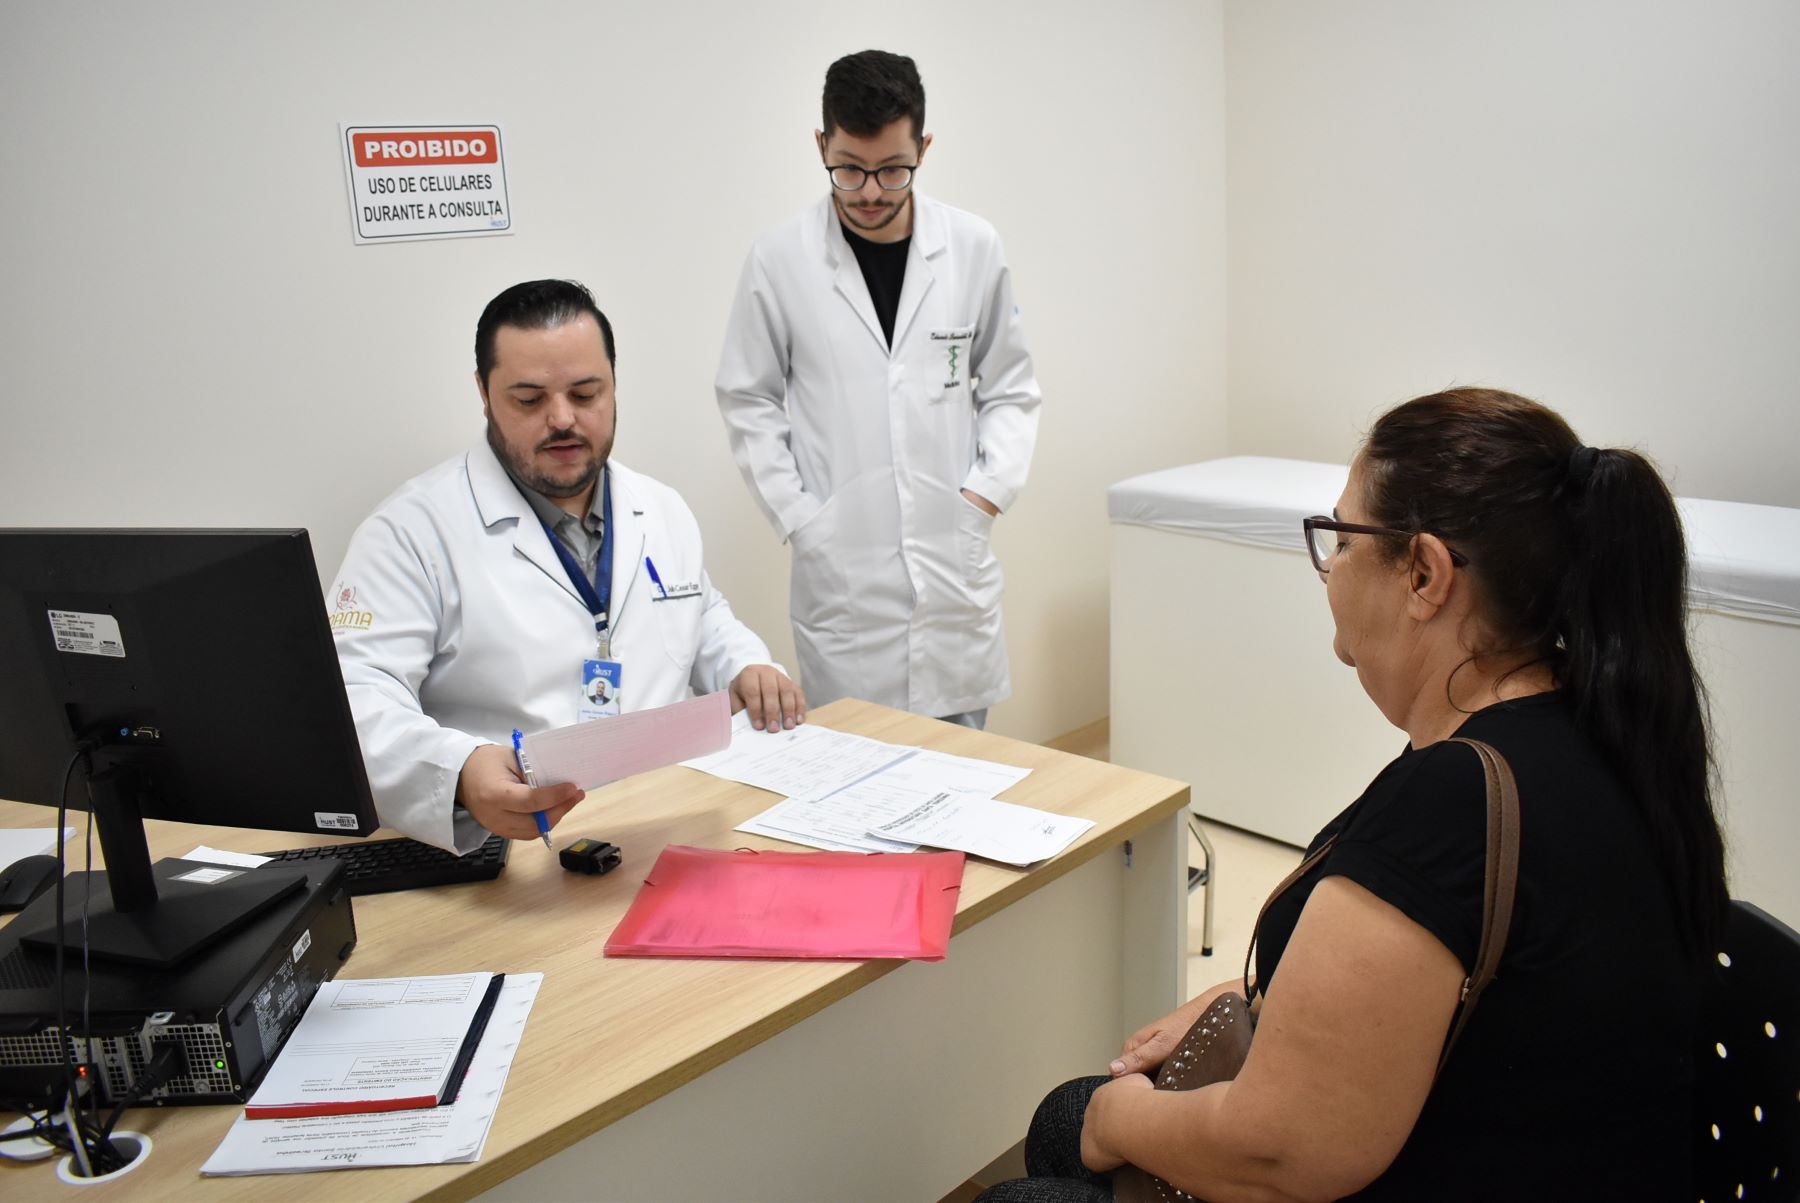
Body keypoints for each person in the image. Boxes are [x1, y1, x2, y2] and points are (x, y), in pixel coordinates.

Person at [981, 389, 1728, 1201]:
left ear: (1423, 573)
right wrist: (1265, 994)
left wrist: (1114, 1121)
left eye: (1339, 537)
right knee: (1065, 1116)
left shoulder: (1453, 803)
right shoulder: (1605, 724)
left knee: (1056, 1145)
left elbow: (1277, 1154)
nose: (1330, 566)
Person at [331, 280, 803, 855]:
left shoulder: (659, 507)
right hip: (517, 854)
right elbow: (354, 697)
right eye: (529, 400)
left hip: (666, 825)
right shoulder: (410, 533)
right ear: (483, 392)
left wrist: (744, 663)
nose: (562, 420)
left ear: (613, 384)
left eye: (585, 394)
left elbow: (698, 614)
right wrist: (458, 771)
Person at [715, 49, 1042, 730]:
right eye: (849, 168)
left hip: (952, 564)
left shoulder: (973, 246)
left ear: (923, 146)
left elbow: (1011, 385)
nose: (869, 190)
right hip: (845, 579)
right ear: (821, 144)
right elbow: (747, 396)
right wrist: (803, 518)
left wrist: (984, 495)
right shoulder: (780, 260)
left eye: (893, 169)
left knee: (962, 776)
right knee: (854, 783)